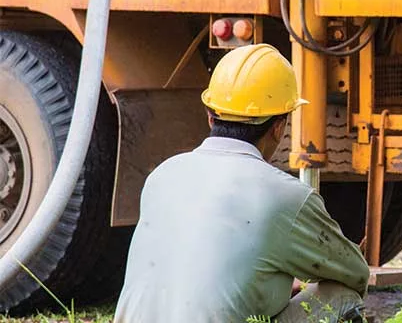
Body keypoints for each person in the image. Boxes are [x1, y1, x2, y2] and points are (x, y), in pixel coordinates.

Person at [114, 44, 369, 323]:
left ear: (210, 115)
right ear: (279, 127)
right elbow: (354, 273)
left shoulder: (162, 175)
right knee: (343, 293)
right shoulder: (287, 196)